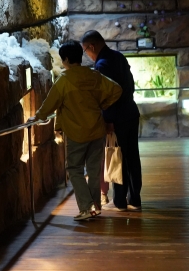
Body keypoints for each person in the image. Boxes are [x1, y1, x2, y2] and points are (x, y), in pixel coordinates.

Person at [28, 40, 122, 221]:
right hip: (96, 129)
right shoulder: (94, 75)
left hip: (76, 132)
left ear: (66, 59)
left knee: (74, 168)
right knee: (94, 170)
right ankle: (96, 206)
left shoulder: (65, 80)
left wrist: (38, 116)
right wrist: (102, 104)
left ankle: (86, 208)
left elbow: (50, 103)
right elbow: (116, 90)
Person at [81, 30, 143, 212]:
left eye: (86, 50)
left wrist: (107, 119)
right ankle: (135, 198)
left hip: (116, 118)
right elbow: (130, 85)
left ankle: (120, 200)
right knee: (132, 156)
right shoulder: (119, 57)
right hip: (131, 112)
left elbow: (106, 97)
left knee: (117, 156)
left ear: (92, 46)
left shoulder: (101, 65)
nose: (88, 55)